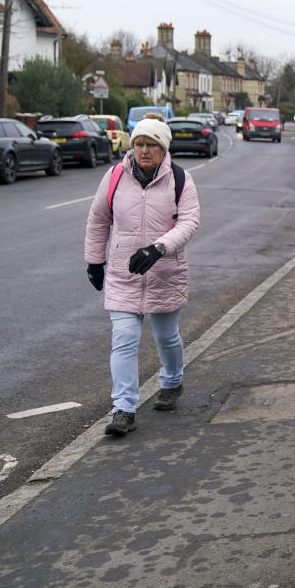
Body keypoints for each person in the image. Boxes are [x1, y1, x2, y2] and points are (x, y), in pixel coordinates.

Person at [84, 114, 200, 436]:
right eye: (139, 143)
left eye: (151, 145)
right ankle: (123, 408)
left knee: (166, 336)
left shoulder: (180, 179)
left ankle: (173, 381)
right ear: (131, 145)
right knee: (124, 340)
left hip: (165, 272)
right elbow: (98, 220)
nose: (144, 150)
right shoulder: (114, 177)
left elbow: (189, 222)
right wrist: (94, 261)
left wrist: (158, 249)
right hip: (125, 272)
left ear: (163, 149)